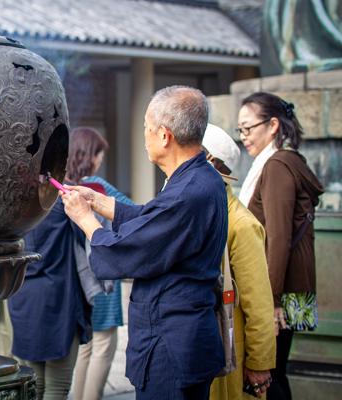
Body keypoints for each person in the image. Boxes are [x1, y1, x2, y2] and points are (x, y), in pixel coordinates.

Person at [61, 85, 228, 400]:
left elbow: (128, 250)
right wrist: (98, 202)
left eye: (146, 129)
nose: (144, 137)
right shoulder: (202, 178)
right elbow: (153, 219)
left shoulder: (187, 192)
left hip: (171, 342)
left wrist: (85, 219)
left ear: (165, 135)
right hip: (186, 335)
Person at [237, 92, 324, 400]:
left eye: (248, 128)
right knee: (272, 376)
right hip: (282, 291)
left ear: (272, 125)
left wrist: (271, 303)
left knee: (267, 378)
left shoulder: (276, 166)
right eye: (240, 130)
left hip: (276, 294)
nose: (244, 137)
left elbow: (277, 238)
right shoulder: (284, 162)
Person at [202, 124, 276, 399]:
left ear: (208, 162)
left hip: (230, 354)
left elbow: (258, 304)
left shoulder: (242, 224)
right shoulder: (196, 212)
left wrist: (259, 364)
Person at [66, 127, 134, 400]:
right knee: (104, 345)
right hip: (101, 276)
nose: (101, 160)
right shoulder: (96, 186)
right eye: (99, 154)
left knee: (85, 347)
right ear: (89, 155)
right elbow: (131, 209)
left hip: (77, 280)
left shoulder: (65, 186)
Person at [8, 186, 92, 399]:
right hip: (59, 297)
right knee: (58, 385)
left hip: (23, 296)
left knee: (35, 385)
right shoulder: (60, 204)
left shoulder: (12, 205)